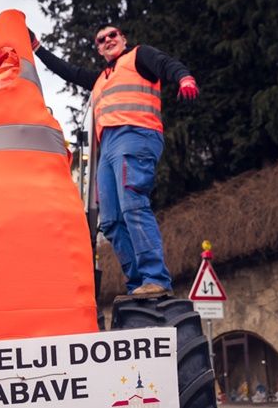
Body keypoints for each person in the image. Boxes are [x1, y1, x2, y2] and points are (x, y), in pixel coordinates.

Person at [30, 25, 199, 295]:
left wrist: (185, 78)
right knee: (110, 221)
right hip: (108, 145)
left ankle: (156, 278)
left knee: (133, 205)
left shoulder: (139, 56)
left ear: (123, 39)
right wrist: (37, 48)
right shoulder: (100, 78)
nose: (108, 40)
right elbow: (67, 71)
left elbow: (167, 64)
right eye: (101, 39)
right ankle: (138, 285)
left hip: (136, 135)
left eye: (113, 35)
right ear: (98, 49)